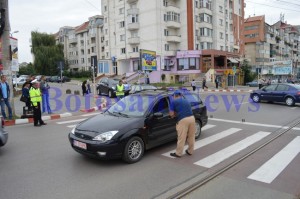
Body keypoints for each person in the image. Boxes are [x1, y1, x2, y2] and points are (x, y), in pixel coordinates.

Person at [169, 90, 196, 158]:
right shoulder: (186, 100)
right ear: (180, 95)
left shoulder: (173, 102)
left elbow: (171, 114)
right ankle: (190, 151)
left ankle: (178, 153)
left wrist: (173, 115)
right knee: (191, 136)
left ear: (175, 96)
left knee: (181, 137)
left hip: (183, 120)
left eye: (173, 96)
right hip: (192, 118)